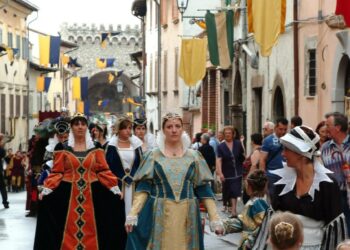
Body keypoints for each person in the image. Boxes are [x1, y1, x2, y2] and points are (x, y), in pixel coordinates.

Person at [125, 112, 224, 250]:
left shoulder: (194, 156)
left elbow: (204, 189)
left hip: (188, 213)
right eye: (169, 126)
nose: (174, 130)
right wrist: (133, 213)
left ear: (182, 129)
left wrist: (215, 218)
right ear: (163, 130)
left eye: (177, 126)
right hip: (160, 212)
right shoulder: (153, 155)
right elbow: (143, 188)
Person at [34, 113, 126, 250]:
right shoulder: (62, 148)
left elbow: (103, 171)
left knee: (96, 227)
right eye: (76, 124)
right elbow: (57, 172)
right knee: (66, 228)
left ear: (87, 127)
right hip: (67, 195)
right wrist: (48, 189)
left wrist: (114, 187)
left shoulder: (96, 148)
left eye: (83, 124)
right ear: (71, 127)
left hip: (93, 195)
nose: (80, 127)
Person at [255, 126, 346, 249]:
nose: (283, 154)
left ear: (301, 153)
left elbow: (335, 231)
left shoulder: (327, 185)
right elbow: (271, 224)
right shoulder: (282, 182)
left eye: (287, 149)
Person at [106, 115, 143, 216]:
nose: (128, 130)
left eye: (130, 128)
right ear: (119, 129)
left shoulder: (135, 145)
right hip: (118, 185)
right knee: (119, 214)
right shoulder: (112, 146)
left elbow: (140, 164)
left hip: (134, 185)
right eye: (125, 128)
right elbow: (108, 166)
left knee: (134, 213)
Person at [223, 170, 269, 249]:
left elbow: (263, 226)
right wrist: (225, 226)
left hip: (253, 245)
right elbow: (243, 221)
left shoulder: (258, 203)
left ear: (250, 187)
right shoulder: (253, 201)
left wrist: (250, 240)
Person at [321, 112, 350, 235]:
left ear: (337, 128)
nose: (325, 129)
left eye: (328, 125)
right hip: (334, 196)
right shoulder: (325, 148)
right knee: (340, 232)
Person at [216, 126, 245, 218]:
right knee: (228, 191)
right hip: (227, 171)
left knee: (235, 191)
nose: (228, 135)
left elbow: (242, 155)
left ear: (233, 134)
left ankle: (233, 210)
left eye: (229, 133)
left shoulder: (238, 143)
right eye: (226, 133)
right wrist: (220, 173)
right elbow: (219, 160)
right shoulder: (220, 146)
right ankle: (229, 207)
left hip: (237, 171)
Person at [260, 118, 288, 196]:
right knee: (273, 197)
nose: (283, 132)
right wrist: (263, 176)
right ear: (275, 128)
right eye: (281, 129)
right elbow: (262, 159)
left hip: (286, 174)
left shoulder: (288, 140)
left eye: (285, 129)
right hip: (272, 174)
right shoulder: (268, 140)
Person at [0, 134, 9, 208]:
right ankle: (5, 202)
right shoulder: (1, 148)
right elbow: (3, 154)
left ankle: (5, 202)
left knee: (2, 187)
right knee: (2, 187)